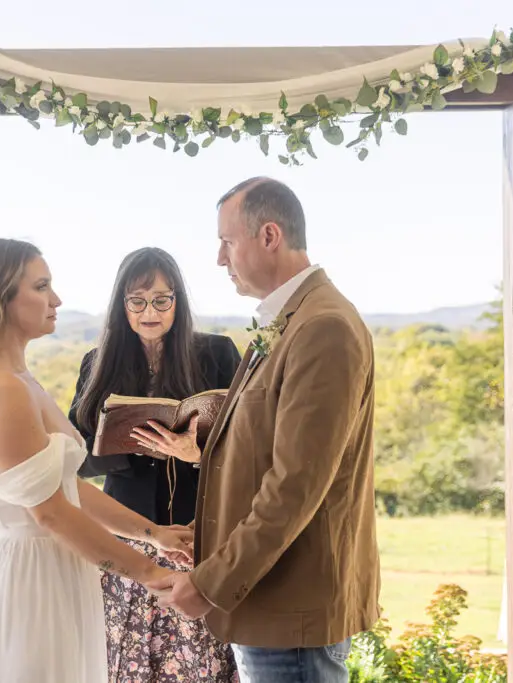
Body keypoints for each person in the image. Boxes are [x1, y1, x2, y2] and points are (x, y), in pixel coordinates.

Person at [147, 178, 382, 683]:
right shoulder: (290, 320)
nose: (219, 259)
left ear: (269, 236)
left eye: (227, 242)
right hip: (269, 600)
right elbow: (263, 453)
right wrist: (210, 528)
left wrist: (209, 583)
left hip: (289, 607)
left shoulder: (323, 328)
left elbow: (295, 485)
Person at [0, 238, 193, 683]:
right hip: (31, 579)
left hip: (58, 570)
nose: (56, 299)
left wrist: (154, 534)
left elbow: (67, 489)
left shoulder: (21, 380)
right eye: (41, 286)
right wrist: (151, 574)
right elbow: (52, 514)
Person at [69, 246, 241, 682]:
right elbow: (77, 464)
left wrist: (196, 455)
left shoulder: (217, 354)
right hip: (126, 538)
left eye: (162, 300)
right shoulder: (96, 363)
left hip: (195, 537)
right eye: (138, 301)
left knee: (200, 665)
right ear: (121, 306)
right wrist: (129, 444)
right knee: (125, 662)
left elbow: (250, 450)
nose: (150, 311)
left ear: (177, 302)